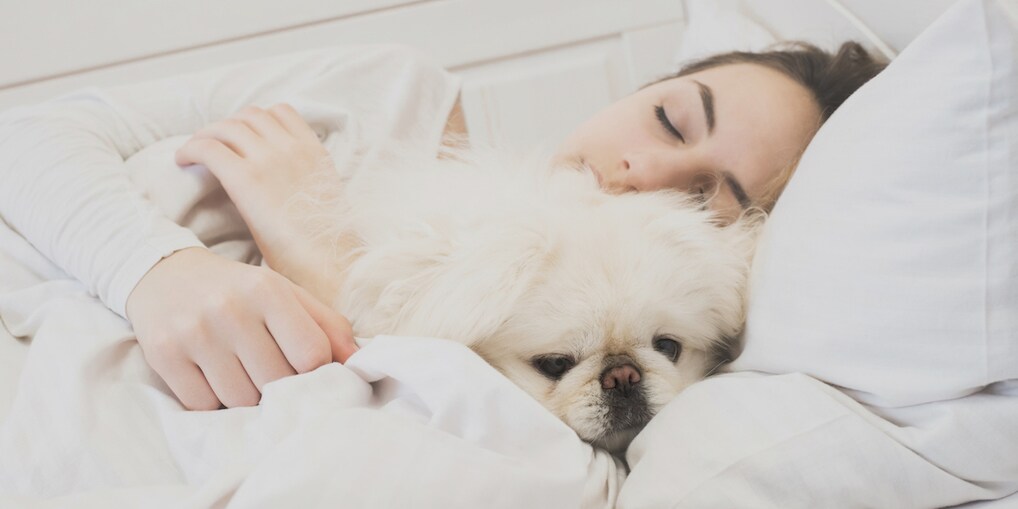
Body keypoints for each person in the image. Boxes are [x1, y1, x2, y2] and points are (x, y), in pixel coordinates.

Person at [0, 41, 884, 412]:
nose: (641, 174)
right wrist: (158, 268)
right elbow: (26, 135)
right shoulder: (392, 92)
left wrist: (326, 267)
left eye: (706, 197)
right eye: (667, 120)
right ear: (638, 87)